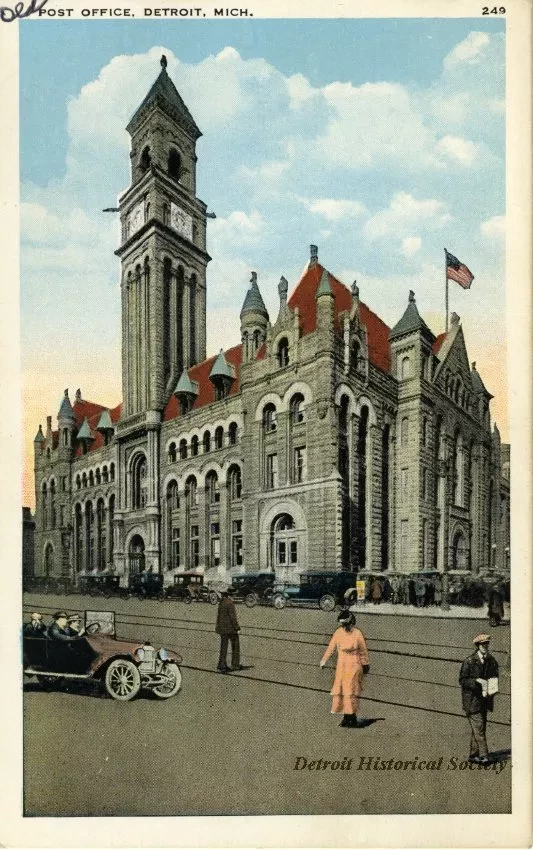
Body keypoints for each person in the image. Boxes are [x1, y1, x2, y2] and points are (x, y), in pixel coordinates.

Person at [320, 610, 370, 728]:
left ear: (352, 623)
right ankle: (346, 717)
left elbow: (363, 650)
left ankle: (351, 717)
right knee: (343, 691)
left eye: (347, 625)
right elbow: (331, 647)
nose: (346, 627)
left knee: (350, 692)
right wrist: (324, 660)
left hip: (354, 665)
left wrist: (365, 663)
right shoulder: (338, 633)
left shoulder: (357, 633)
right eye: (343, 625)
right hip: (342, 666)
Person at [459, 634, 500, 764]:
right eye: (483, 644)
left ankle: (473, 755)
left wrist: (492, 685)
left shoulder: (491, 660)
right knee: (479, 728)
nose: (485, 646)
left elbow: (495, 674)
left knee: (478, 729)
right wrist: (477, 681)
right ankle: (484, 756)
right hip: (472, 701)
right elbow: (463, 680)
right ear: (478, 645)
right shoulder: (469, 661)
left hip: (484, 700)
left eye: (487, 643)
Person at [215, 590, 242, 673]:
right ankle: (235, 664)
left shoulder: (221, 602)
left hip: (222, 628)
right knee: (235, 645)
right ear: (230, 595)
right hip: (230, 629)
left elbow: (219, 616)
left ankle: (221, 664)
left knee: (223, 647)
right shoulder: (230, 603)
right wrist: (237, 628)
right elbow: (233, 617)